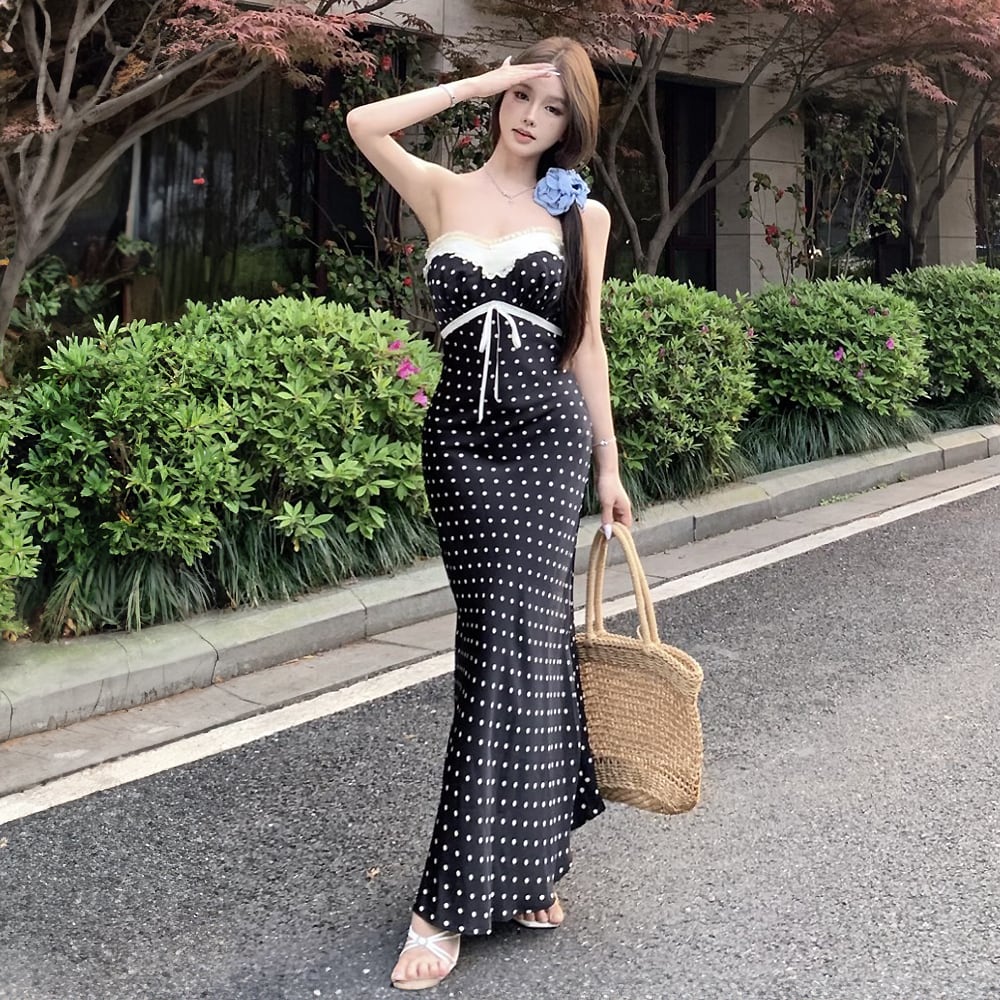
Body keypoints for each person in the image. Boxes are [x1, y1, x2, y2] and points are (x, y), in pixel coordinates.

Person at [346, 35, 633, 991]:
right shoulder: (441, 191)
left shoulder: (580, 215)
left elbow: (585, 343)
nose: (530, 119)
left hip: (547, 443)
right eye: (522, 99)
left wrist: (609, 466)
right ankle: (530, 862)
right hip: (461, 451)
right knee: (505, 642)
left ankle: (451, 901)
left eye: (553, 109)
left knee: (524, 640)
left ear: (571, 126)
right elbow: (363, 123)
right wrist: (482, 77)